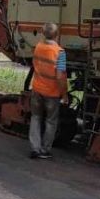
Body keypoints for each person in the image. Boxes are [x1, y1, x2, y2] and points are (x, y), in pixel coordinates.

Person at [29, 22, 68, 159]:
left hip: (37, 89)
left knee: (35, 117)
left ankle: (35, 148)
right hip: (52, 93)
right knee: (51, 121)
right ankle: (45, 150)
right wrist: (64, 94)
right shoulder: (60, 52)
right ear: (57, 35)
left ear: (42, 32)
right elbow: (60, 76)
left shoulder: (38, 47)